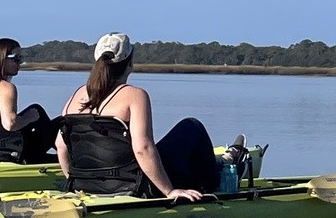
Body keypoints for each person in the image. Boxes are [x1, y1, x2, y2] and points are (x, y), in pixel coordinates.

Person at [55, 33, 217, 200]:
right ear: (129, 64)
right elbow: (143, 149)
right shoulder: (135, 95)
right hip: (133, 185)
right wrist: (169, 191)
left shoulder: (75, 97)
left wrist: (75, 182)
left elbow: (60, 146)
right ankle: (216, 185)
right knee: (191, 127)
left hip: (84, 186)